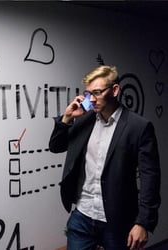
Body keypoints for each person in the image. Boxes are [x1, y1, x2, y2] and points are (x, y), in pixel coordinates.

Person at [49, 65, 161, 250]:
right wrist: (67, 117)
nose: (91, 99)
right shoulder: (85, 120)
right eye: (88, 93)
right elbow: (56, 146)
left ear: (115, 90)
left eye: (97, 92)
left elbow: (150, 178)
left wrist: (143, 223)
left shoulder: (138, 127)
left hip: (118, 220)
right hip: (82, 215)